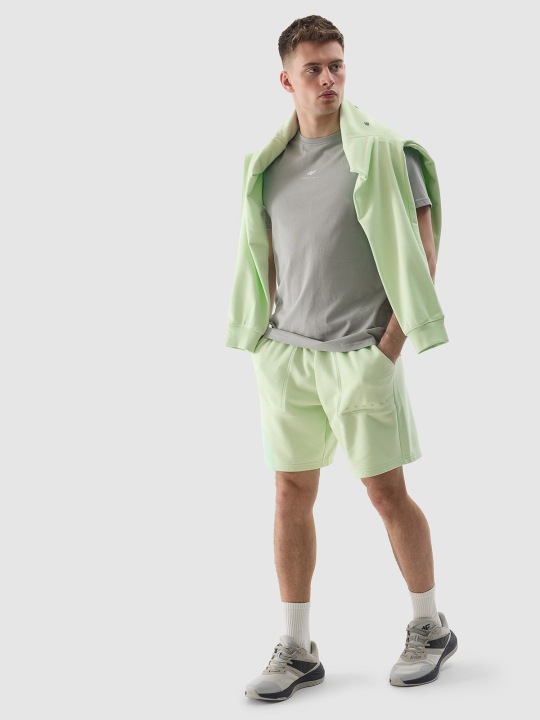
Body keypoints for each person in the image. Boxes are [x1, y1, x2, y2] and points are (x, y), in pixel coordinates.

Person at [225, 14, 457, 701]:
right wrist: (263, 341)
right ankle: (296, 648)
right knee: (289, 495)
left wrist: (388, 348)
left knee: (386, 493)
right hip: (287, 358)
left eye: (336, 65)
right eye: (313, 69)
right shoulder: (265, 165)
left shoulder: (385, 152)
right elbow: (265, 256)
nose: (328, 79)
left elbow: (421, 255)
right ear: (286, 81)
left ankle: (430, 626)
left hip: (362, 353)